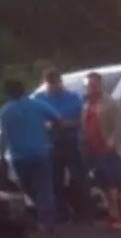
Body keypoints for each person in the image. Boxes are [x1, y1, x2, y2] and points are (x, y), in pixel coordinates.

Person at [0, 79, 60, 229]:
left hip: (19, 156)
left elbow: (3, 136)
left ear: (7, 94)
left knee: (25, 190)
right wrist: (51, 135)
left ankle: (31, 221)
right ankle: (47, 222)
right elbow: (57, 119)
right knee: (44, 189)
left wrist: (1, 155)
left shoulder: (5, 112)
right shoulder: (37, 105)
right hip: (41, 152)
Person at [36, 68, 91, 223]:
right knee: (55, 180)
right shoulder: (39, 99)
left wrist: (66, 123)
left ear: (60, 82)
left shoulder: (73, 97)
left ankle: (84, 213)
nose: (53, 86)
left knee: (78, 178)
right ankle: (62, 214)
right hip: (50, 143)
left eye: (56, 82)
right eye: (50, 83)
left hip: (70, 140)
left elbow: (81, 119)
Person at [82, 71, 121, 229]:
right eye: (88, 85)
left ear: (100, 85)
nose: (91, 88)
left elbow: (119, 126)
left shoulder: (110, 103)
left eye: (94, 85)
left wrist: (113, 142)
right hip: (94, 150)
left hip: (109, 150)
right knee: (106, 185)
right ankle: (113, 214)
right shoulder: (86, 104)